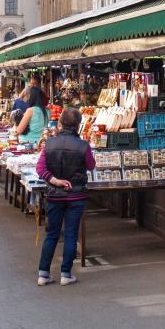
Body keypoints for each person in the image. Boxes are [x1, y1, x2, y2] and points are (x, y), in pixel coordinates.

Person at [37, 107, 95, 286]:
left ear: (60, 123)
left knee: (52, 234)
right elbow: (91, 166)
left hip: (54, 196)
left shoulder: (49, 143)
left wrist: (55, 181)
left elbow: (40, 169)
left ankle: (43, 274)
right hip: (76, 196)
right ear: (78, 126)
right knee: (70, 234)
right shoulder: (83, 145)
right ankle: (65, 274)